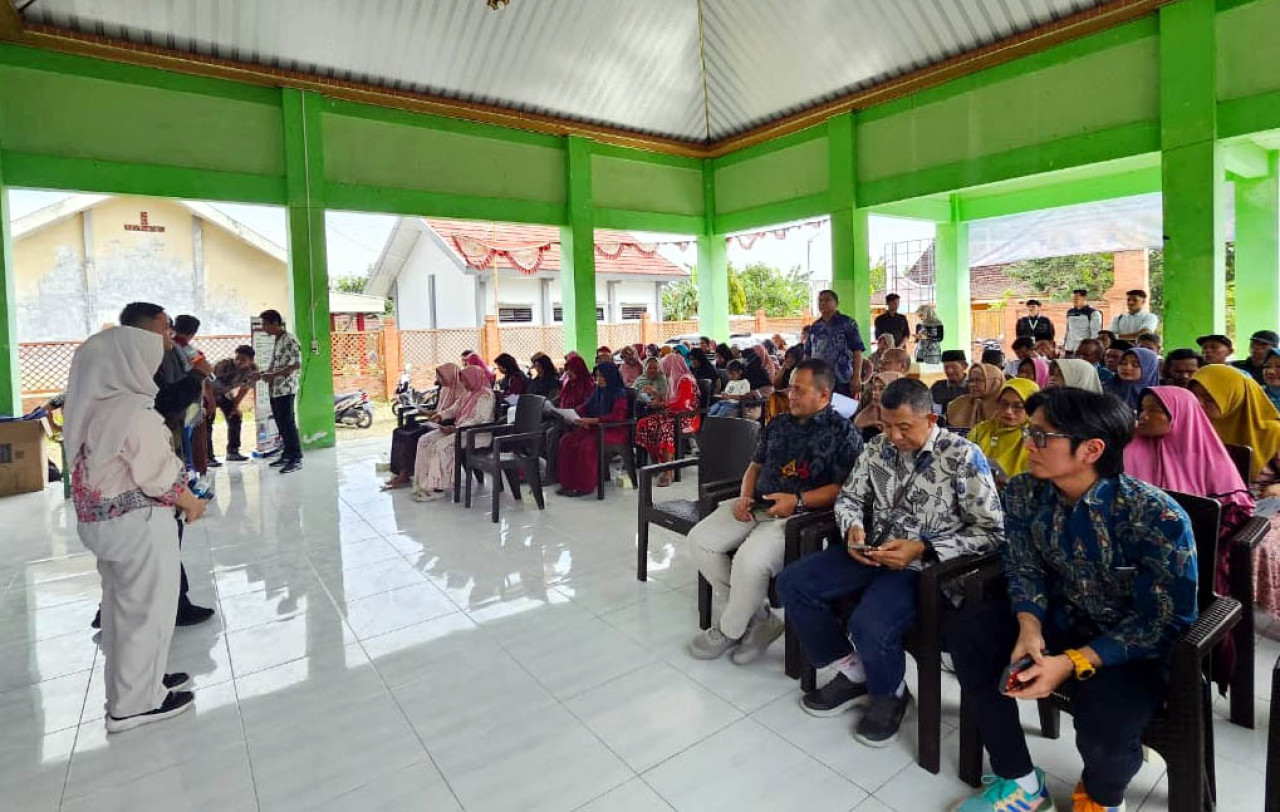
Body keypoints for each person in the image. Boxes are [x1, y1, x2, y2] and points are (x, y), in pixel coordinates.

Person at [947, 387, 1197, 812]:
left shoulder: (1155, 516)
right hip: (1058, 618)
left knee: (1107, 725)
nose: (1028, 444)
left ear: (1091, 449)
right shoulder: (1026, 491)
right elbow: (1023, 565)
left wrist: (1071, 662)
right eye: (1030, 432)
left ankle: (1101, 799)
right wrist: (1029, 626)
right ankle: (1021, 780)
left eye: (1043, 436)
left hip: (1126, 646)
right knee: (969, 632)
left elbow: (1162, 622)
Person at [781, 378, 1002, 746]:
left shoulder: (961, 456)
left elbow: (992, 532)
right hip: (873, 550)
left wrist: (923, 548)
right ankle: (852, 670)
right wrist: (852, 529)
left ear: (930, 418)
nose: (894, 437)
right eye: (886, 426)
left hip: (924, 568)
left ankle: (890, 693)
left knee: (870, 623)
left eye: (904, 427)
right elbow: (849, 497)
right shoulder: (877, 449)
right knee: (793, 583)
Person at [64, 324, 207, 733]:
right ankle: (135, 704)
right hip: (138, 525)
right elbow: (157, 474)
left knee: (122, 610)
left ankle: (137, 685)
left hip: (105, 525)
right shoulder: (130, 411)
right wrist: (191, 502)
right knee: (147, 612)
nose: (153, 368)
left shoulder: (91, 404)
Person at [688, 360, 863, 664]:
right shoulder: (778, 423)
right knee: (699, 541)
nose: (790, 394)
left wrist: (797, 501)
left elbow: (843, 489)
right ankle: (759, 619)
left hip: (798, 515)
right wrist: (744, 496)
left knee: (749, 561)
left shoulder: (843, 433)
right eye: (790, 387)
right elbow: (755, 466)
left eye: (799, 389)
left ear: (823, 395)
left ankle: (729, 630)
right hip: (755, 505)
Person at [1127, 385, 1255, 693]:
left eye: (1153, 410)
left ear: (1178, 415)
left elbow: (1237, 513)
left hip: (1197, 557)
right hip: (1135, 555)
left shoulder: (1208, 456)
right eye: (1141, 409)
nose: (1142, 417)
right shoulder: (1129, 447)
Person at [1190, 365, 1280, 619]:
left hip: (1263, 501)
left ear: (1234, 398)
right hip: (1215, 500)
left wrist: (1277, 487)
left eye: (1209, 398)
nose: (1200, 404)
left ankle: (1246, 609)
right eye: (1195, 397)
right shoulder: (1197, 428)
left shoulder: (1273, 432)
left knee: (1253, 545)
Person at [411, 365, 494, 502]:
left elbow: (481, 419)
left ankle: (438, 487)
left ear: (474, 379)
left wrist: (457, 428)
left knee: (441, 446)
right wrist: (440, 416)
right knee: (425, 440)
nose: (464, 384)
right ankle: (423, 483)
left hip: (477, 435)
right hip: (460, 431)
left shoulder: (486, 395)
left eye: (466, 381)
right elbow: (454, 409)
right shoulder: (467, 394)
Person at [382, 363, 464, 491]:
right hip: (434, 421)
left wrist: (438, 416)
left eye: (442, 376)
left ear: (450, 375)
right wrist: (427, 412)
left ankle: (405, 474)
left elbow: (455, 414)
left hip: (445, 425)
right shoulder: (444, 389)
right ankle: (400, 471)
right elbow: (438, 410)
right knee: (399, 432)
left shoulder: (461, 391)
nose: (439, 380)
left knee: (410, 437)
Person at [555, 362, 631, 496]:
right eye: (597, 376)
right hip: (597, 427)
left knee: (586, 445)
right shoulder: (599, 390)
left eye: (602, 376)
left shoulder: (620, 393)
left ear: (610, 376)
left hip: (614, 431)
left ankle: (584, 487)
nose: (598, 379)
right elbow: (586, 407)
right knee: (566, 441)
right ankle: (568, 483)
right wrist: (573, 414)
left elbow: (617, 417)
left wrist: (593, 420)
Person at [635, 353, 700, 485]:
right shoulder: (673, 380)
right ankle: (656, 463)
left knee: (664, 429)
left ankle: (668, 472)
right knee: (645, 423)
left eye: (665, 366)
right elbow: (669, 400)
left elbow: (682, 404)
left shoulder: (685, 380)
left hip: (686, 418)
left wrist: (661, 404)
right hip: (672, 415)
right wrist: (655, 395)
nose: (663, 369)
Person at [258, 309, 303, 474]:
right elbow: (275, 364)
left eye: (265, 324)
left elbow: (296, 365)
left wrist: (274, 375)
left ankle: (296, 458)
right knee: (280, 423)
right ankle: (287, 454)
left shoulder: (290, 339)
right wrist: (263, 374)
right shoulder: (278, 339)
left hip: (286, 388)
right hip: (275, 389)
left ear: (275, 323)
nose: (263, 328)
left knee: (288, 423)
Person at [969, 379, 1039, 484]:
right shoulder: (981, 430)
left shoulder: (1037, 439)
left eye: (1018, 406)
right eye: (1004, 404)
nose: (1008, 411)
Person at [806, 289, 867, 397]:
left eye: (827, 300)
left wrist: (856, 377)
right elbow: (808, 353)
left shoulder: (847, 323)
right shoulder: (815, 326)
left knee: (843, 411)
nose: (823, 303)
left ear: (836, 303)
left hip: (843, 378)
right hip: (820, 378)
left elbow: (857, 351)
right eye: (820, 300)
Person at [208, 345, 258, 464]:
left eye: (243, 359)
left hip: (225, 394)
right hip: (207, 393)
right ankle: (208, 457)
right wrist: (211, 403)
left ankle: (233, 451)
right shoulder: (223, 365)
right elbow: (207, 384)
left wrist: (235, 407)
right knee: (207, 422)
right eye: (237, 358)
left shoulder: (252, 371)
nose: (239, 361)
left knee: (235, 418)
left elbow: (243, 390)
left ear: (251, 361)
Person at [947, 363, 1004, 430]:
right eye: (970, 380)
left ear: (995, 382)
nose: (972, 385)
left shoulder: (1006, 407)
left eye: (978, 380)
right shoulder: (960, 404)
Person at [1103, 346, 1161, 411]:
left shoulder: (1160, 399)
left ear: (1149, 369)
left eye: (1135, 365)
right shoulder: (1107, 388)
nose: (1127, 367)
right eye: (1123, 363)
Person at [853, 371, 903, 441]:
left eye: (881, 389)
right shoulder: (871, 412)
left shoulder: (905, 420)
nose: (875, 393)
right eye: (874, 388)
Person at [1063, 288, 1102, 354]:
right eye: (1074, 298)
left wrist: (1090, 349)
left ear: (1084, 298)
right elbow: (1068, 330)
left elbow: (1095, 334)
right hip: (1069, 349)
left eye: (1077, 298)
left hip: (1083, 350)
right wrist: (1064, 345)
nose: (1075, 300)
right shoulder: (1070, 312)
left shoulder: (1093, 313)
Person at [931, 350, 970, 415]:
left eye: (953, 367)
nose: (949, 371)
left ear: (964, 366)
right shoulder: (937, 387)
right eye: (946, 367)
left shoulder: (974, 386)